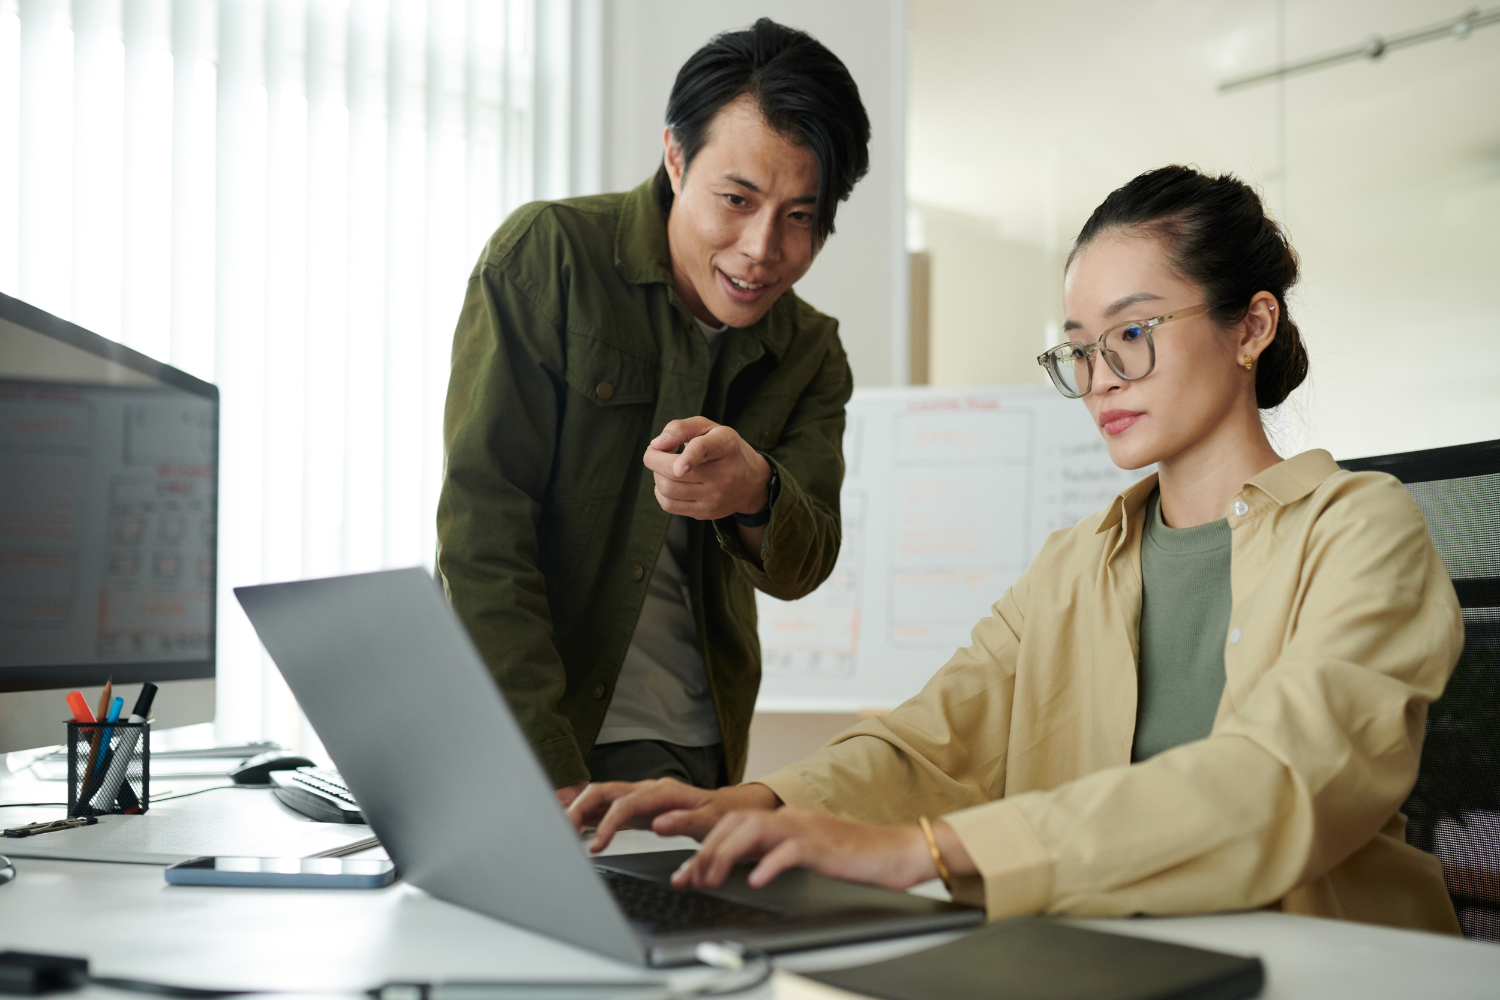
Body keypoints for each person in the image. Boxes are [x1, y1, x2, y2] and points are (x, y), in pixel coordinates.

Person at [567, 165, 1465, 934]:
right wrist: (753, 803)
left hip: (1326, 963)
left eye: (1134, 332)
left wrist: (924, 852)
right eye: (1079, 349)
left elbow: (1279, 779)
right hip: (1116, 951)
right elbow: (933, 744)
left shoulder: (1360, 529)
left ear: (1253, 327)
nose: (1100, 376)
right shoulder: (1076, 563)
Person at [437, 19, 870, 804]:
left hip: (684, 745)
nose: (761, 249)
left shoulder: (812, 351)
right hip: (530, 729)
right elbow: (483, 532)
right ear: (675, 156)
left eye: (801, 216)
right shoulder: (549, 257)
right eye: (736, 200)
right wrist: (548, 766)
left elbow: (807, 562)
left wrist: (755, 492)